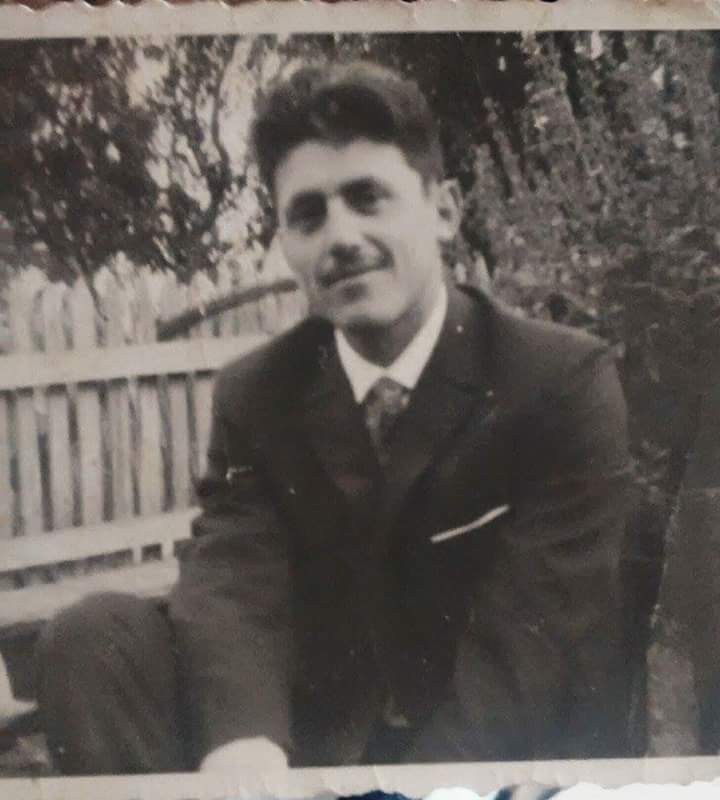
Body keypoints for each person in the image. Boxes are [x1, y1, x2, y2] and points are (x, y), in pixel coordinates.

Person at [35, 61, 633, 775]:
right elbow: (234, 573)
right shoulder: (258, 393)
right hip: (322, 744)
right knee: (94, 635)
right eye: (308, 215)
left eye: (368, 198)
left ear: (444, 211)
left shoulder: (557, 381)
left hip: (493, 750)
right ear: (286, 242)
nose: (340, 237)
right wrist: (244, 741)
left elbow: (533, 646)